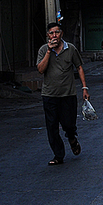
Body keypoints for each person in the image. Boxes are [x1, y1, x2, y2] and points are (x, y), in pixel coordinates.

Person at [37, 22, 90, 166]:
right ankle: (58, 155)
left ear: (62, 34)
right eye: (51, 33)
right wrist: (49, 51)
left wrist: (84, 88)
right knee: (52, 127)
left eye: (57, 32)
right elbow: (41, 69)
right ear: (48, 35)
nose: (54, 36)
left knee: (68, 124)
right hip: (49, 95)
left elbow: (79, 67)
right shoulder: (43, 50)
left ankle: (72, 138)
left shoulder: (70, 49)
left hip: (68, 95)